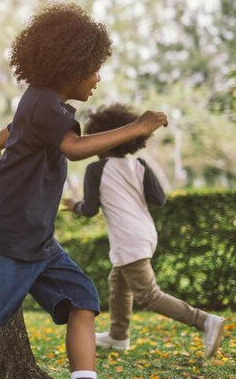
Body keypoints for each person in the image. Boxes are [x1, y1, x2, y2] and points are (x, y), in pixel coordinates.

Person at [0, 2, 168, 379]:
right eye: (93, 70)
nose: (98, 78)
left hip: (36, 238)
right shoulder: (46, 107)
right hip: (9, 234)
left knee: (82, 299)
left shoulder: (40, 101)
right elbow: (73, 150)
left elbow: (3, 136)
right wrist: (137, 127)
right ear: (70, 68)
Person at [62, 103, 225, 358]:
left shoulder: (96, 169)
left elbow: (90, 209)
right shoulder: (138, 164)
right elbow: (158, 199)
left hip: (128, 237)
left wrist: (74, 205)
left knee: (148, 295)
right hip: (145, 233)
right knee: (118, 282)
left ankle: (205, 321)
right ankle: (118, 336)